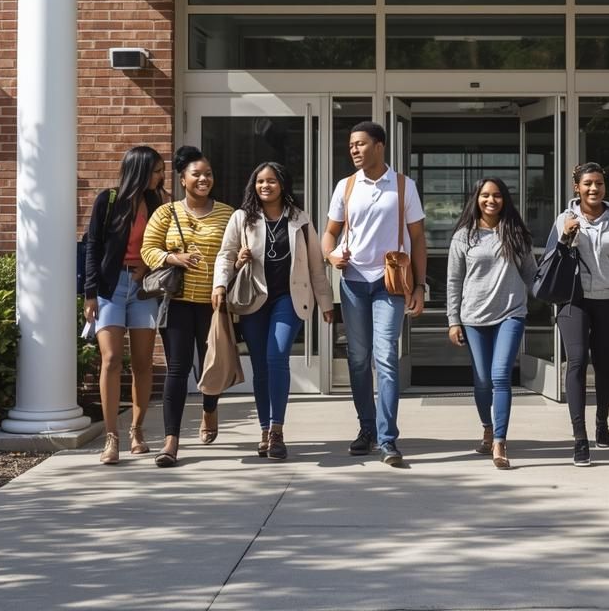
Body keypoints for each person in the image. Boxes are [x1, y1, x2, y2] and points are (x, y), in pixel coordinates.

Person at [321, 121, 428, 468]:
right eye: (351, 145)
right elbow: (329, 234)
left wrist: (420, 286)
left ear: (379, 146)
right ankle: (366, 428)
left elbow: (418, 240)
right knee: (357, 358)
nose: (354, 149)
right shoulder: (346, 186)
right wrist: (332, 254)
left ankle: (387, 439)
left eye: (361, 144)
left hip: (390, 281)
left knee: (385, 358)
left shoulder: (403, 186)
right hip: (353, 281)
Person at [213, 162, 333, 461]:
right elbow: (225, 255)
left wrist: (327, 303)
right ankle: (264, 430)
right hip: (254, 298)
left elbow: (317, 265)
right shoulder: (242, 217)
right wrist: (220, 285)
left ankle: (277, 431)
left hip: (289, 298)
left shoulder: (299, 219)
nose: (265, 186)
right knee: (261, 364)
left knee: (276, 356)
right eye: (260, 181)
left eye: (271, 181)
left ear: (283, 184)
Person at [140, 145, 234, 468]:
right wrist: (172, 257)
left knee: (210, 367)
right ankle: (171, 442)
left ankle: (209, 408)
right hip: (177, 303)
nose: (203, 179)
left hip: (214, 305)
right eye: (197, 174)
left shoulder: (227, 214)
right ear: (183, 179)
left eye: (208, 174)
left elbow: (236, 248)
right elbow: (147, 250)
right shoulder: (166, 213)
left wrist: (240, 260)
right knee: (178, 370)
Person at [543, 162, 609, 467]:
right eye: (588, 184)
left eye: (599, 183)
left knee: (604, 365)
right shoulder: (564, 219)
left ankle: (602, 422)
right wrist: (565, 236)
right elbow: (552, 260)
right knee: (578, 362)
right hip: (573, 299)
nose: (594, 189)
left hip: (607, 301)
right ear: (576, 188)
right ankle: (580, 438)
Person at [82, 146, 167, 465]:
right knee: (112, 359)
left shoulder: (158, 203)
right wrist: (90, 293)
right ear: (141, 170)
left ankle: (137, 431)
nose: (161, 176)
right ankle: (111, 438)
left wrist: (148, 266)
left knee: (143, 363)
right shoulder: (109, 200)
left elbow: (164, 244)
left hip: (143, 287)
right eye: (157, 170)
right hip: (109, 288)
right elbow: (92, 246)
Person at [446, 178, 537, 470]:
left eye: (497, 195)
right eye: (485, 195)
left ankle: (500, 440)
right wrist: (453, 320)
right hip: (473, 317)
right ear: (476, 199)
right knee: (483, 379)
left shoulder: (516, 234)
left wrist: (555, 295)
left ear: (504, 200)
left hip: (511, 313)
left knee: (500, 376)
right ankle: (487, 426)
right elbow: (454, 281)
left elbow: (531, 275)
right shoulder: (464, 236)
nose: (491, 200)